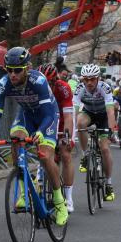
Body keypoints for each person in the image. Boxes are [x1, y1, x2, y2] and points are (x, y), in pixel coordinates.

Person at [0, 47, 68, 226]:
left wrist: (40, 132)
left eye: (17, 70)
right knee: (16, 138)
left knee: (45, 157)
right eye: (9, 70)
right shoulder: (3, 84)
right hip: (26, 115)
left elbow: (48, 115)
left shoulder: (38, 80)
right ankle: (23, 192)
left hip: (47, 117)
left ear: (27, 68)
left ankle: (59, 201)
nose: (13, 74)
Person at [74, 62, 118, 201]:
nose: (89, 82)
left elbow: (110, 111)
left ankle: (109, 184)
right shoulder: (80, 88)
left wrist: (111, 131)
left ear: (98, 78)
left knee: (104, 148)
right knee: (80, 123)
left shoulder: (105, 88)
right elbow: (75, 110)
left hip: (103, 116)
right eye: (86, 79)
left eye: (92, 79)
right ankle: (85, 155)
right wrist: (72, 131)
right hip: (89, 113)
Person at [39, 63, 77, 212]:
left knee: (65, 153)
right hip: (46, 121)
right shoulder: (36, 88)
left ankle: (68, 198)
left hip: (62, 121)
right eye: (44, 83)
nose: (47, 86)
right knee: (42, 152)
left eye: (50, 83)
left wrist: (66, 136)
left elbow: (68, 116)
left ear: (56, 81)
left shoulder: (63, 88)